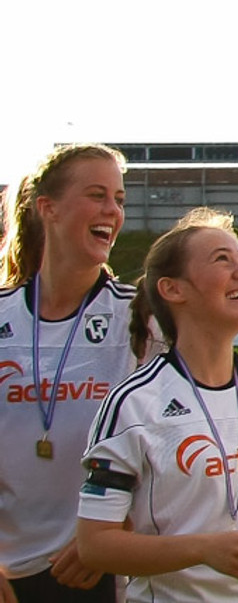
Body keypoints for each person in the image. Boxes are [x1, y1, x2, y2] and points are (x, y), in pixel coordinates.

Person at [76, 207, 238, 603]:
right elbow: (95, 545)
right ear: (173, 289)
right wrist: (202, 549)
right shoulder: (133, 405)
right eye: (222, 260)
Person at [0, 143, 135, 603]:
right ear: (48, 208)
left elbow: (167, 445)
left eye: (119, 199)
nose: (112, 210)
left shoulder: (141, 318)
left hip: (104, 570)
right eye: (97, 195)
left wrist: (110, 532)